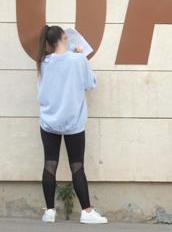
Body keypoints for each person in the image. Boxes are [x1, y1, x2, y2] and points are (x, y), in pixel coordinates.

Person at [37, 25, 107, 224]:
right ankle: (86, 212)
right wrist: (81, 57)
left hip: (49, 121)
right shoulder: (78, 59)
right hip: (73, 122)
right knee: (77, 166)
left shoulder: (43, 62)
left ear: (49, 43)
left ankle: (50, 211)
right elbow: (90, 84)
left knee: (50, 164)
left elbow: (41, 92)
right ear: (65, 37)